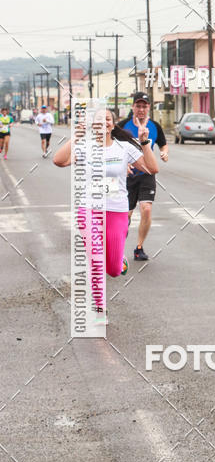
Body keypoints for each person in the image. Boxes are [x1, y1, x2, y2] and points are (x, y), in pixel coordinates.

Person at [53, 109, 158, 312]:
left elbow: (152, 169)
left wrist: (144, 142)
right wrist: (76, 136)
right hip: (88, 208)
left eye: (107, 120)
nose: (103, 124)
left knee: (113, 270)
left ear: (112, 124)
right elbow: (59, 160)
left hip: (116, 209)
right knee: (96, 258)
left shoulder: (124, 147)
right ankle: (100, 308)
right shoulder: (84, 146)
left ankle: (119, 262)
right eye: (98, 121)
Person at [118, 92, 168, 261]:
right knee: (126, 215)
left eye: (144, 106)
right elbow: (111, 147)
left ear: (149, 108)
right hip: (128, 176)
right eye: (138, 106)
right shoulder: (122, 126)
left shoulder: (154, 126)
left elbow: (163, 144)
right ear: (133, 107)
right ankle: (118, 248)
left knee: (146, 209)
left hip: (147, 173)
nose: (141, 109)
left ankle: (139, 247)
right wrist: (123, 164)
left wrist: (164, 153)